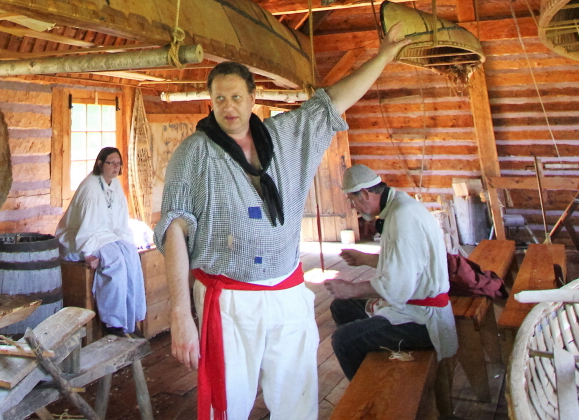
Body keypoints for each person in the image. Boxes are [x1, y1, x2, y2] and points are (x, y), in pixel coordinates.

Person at [155, 25, 409, 420]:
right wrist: (180, 315)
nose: (228, 107)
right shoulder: (194, 153)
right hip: (229, 301)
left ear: (252, 98)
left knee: (297, 403)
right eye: (219, 98)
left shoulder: (284, 136)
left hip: (288, 294)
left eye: (236, 97)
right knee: (227, 406)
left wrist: (384, 56)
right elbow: (174, 228)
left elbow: (332, 102)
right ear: (210, 102)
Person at [327, 164, 458, 379]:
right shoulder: (399, 206)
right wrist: (365, 259)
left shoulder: (403, 217)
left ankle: (371, 394)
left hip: (424, 321)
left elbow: (397, 287)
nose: (353, 207)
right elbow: (407, 263)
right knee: (342, 307)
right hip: (412, 306)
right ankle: (373, 372)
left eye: (352, 200)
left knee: (344, 340)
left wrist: (351, 289)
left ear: (365, 193)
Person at [56, 147, 145, 336]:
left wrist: (127, 241)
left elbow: (120, 220)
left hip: (106, 235)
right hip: (81, 237)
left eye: (118, 163)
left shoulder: (115, 185)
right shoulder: (90, 188)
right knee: (115, 261)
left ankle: (131, 319)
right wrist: (87, 253)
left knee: (131, 256)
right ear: (100, 164)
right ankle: (113, 323)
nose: (115, 167)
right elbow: (87, 226)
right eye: (111, 163)